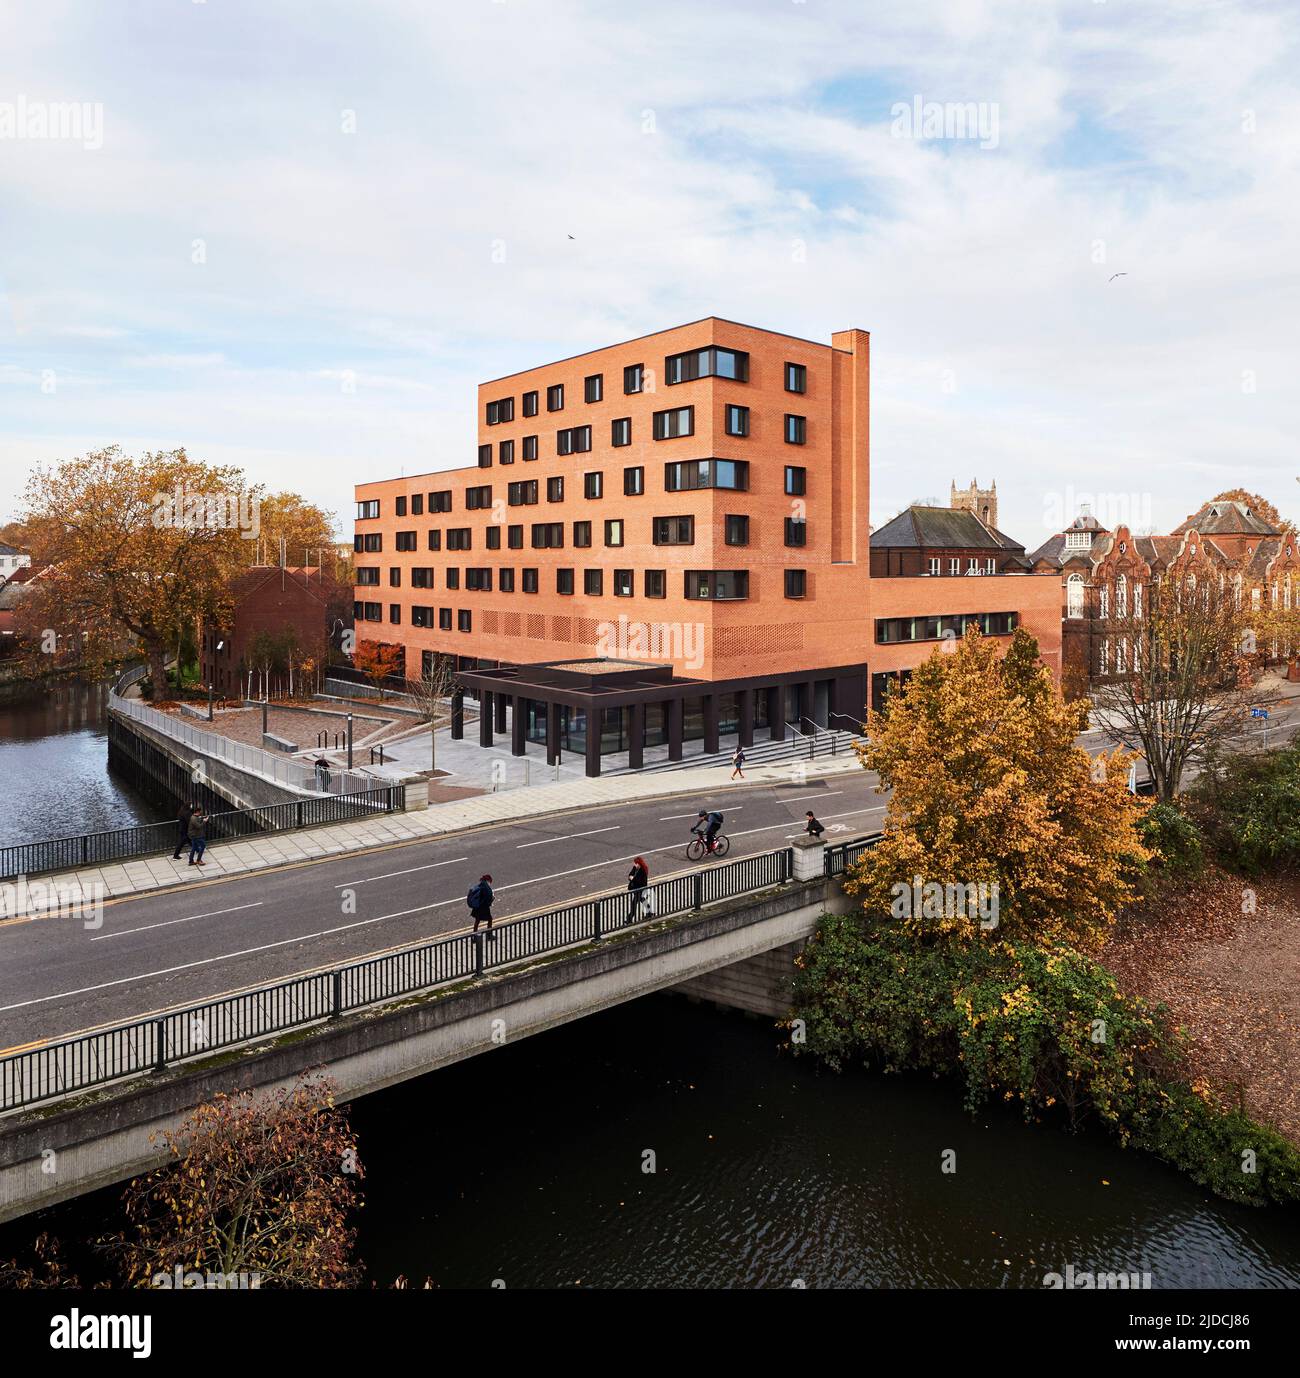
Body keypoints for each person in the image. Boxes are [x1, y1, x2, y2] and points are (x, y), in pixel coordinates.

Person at [468, 873, 495, 940]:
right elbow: (488, 898)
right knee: (490, 919)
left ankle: (474, 937)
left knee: (477, 921)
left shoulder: (480, 884)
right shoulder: (486, 887)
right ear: (488, 880)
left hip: (477, 907)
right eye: (490, 882)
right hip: (484, 907)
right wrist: (492, 899)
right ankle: (489, 935)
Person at [626, 856, 649, 924]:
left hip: (640, 889)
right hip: (635, 889)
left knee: (634, 904)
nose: (634, 865)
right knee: (642, 900)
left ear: (639, 863)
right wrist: (631, 877)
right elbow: (630, 874)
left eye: (636, 863)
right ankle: (650, 912)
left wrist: (633, 878)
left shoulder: (643, 871)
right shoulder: (635, 868)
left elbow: (641, 882)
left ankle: (629, 919)